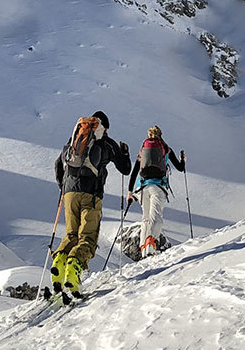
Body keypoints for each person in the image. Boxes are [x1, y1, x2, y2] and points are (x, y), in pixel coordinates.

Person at [50, 111, 132, 301]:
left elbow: (58, 164)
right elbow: (125, 169)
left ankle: (59, 265)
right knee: (87, 238)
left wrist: (64, 189)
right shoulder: (106, 142)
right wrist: (125, 152)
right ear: (105, 127)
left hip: (69, 193)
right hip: (92, 194)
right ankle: (73, 270)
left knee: (71, 234)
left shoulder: (75, 139)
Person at [127, 125, 186, 258]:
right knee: (156, 217)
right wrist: (183, 160)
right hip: (158, 187)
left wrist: (130, 192)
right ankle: (151, 242)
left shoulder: (143, 150)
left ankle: (144, 249)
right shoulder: (165, 149)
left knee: (146, 218)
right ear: (160, 135)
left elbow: (134, 172)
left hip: (142, 188)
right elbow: (180, 167)